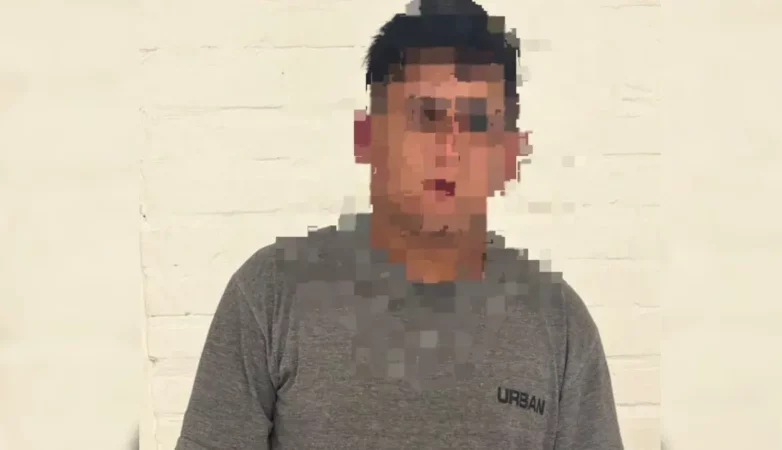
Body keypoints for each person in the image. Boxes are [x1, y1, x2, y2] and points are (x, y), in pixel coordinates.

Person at [176, 0, 624, 449]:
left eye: (476, 123)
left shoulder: (559, 324)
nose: (449, 148)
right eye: (425, 116)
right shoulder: (270, 295)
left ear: (508, 154)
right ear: (366, 137)